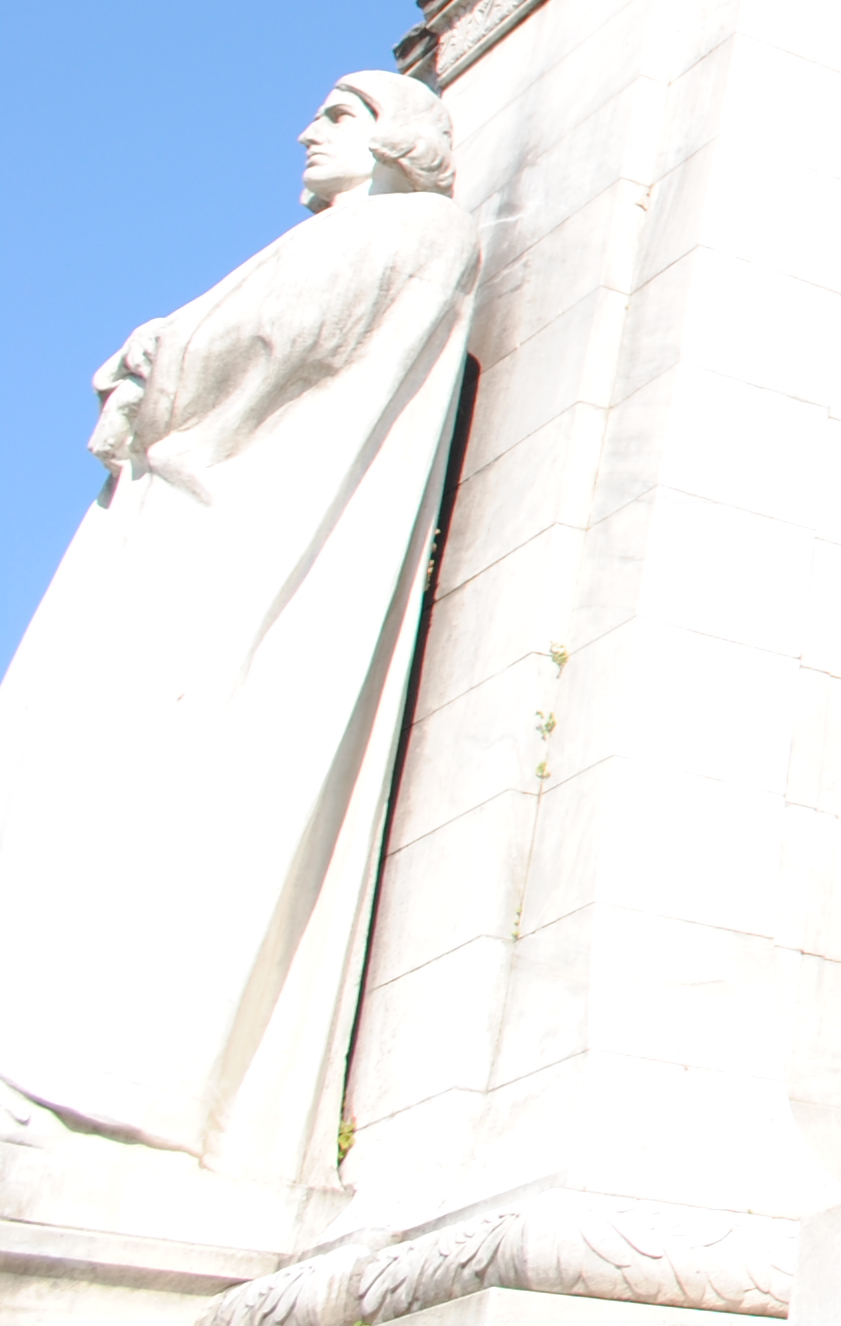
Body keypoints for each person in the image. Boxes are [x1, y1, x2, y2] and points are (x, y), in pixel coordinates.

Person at [0, 73, 480, 1181]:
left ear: (401, 141)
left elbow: (260, 342)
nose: (308, 132)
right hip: (191, 534)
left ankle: (88, 1075)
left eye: (341, 115)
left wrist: (154, 351)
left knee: (142, 800)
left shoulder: (409, 228)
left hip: (228, 544)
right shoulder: (376, 234)